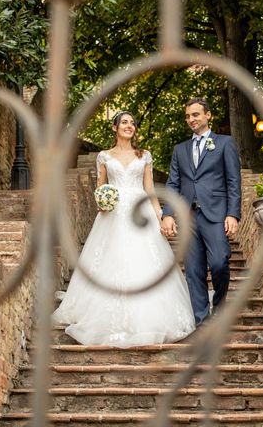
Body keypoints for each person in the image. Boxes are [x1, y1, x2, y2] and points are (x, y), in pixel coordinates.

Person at [52, 111, 195, 347]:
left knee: (145, 261)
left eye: (132, 123)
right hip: (114, 214)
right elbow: (100, 189)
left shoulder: (144, 155)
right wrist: (103, 201)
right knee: (113, 260)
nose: (130, 126)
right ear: (114, 127)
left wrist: (161, 217)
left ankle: (151, 316)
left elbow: (150, 191)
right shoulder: (104, 157)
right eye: (125, 122)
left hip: (142, 212)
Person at [161, 98, 242, 326]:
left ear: (208, 115)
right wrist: (167, 213)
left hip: (216, 214)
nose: (191, 120)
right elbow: (173, 184)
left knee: (219, 262)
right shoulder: (180, 150)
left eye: (195, 115)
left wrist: (233, 214)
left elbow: (233, 181)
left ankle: (219, 307)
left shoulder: (224, 143)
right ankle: (201, 321)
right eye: (187, 116)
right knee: (193, 270)